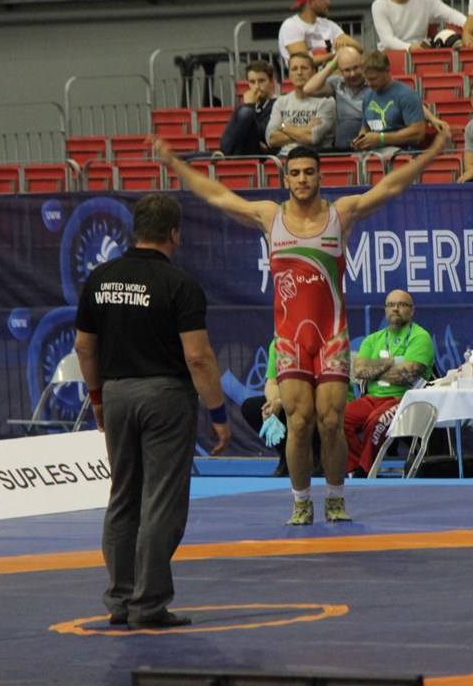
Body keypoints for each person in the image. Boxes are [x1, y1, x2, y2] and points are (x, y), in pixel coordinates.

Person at [160, 128, 452, 525]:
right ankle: (300, 502)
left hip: (331, 338)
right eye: (295, 173)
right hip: (290, 342)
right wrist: (175, 164)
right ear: (286, 178)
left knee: (331, 422)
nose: (302, 179)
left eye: (309, 172)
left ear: (319, 176)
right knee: (298, 422)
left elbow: (390, 187)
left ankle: (335, 498)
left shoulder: (340, 214)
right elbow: (217, 195)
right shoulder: (270, 217)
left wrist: (432, 152)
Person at [74, 193, 231, 630]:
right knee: (161, 501)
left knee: (123, 496)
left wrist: (98, 398)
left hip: (117, 393)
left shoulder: (100, 279)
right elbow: (197, 357)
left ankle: (121, 600)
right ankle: (148, 604)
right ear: (174, 234)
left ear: (135, 230)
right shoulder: (179, 284)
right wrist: (218, 414)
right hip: (165, 396)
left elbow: (84, 347)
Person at [344, 290, 434, 477]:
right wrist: (391, 362)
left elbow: (406, 376)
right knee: (338, 418)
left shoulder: (420, 337)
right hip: (371, 398)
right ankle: (353, 469)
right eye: (391, 305)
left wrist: (375, 370)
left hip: (404, 400)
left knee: (376, 421)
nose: (395, 309)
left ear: (412, 310)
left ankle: (364, 472)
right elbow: (359, 370)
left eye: (401, 305)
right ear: (385, 309)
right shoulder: (373, 339)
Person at [239, 340, 323, 478]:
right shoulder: (277, 343)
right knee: (251, 408)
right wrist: (273, 404)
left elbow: (315, 387)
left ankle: (317, 458)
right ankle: (288, 456)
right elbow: (271, 383)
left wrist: (282, 401)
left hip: (319, 399)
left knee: (306, 409)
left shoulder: (314, 341)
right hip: (290, 398)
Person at [351, 50, 426, 154]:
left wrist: (381, 138)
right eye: (366, 79)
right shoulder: (368, 97)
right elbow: (365, 129)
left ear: (387, 70)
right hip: (374, 151)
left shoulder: (406, 95)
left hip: (400, 152)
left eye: (373, 79)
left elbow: (418, 133)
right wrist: (361, 140)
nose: (369, 83)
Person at [278, 0, 361, 68]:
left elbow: (359, 48)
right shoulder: (291, 26)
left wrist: (344, 48)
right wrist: (335, 54)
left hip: (334, 75)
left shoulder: (328, 24)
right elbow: (303, 62)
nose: (328, 2)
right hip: (310, 77)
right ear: (310, 2)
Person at [265, 53, 336, 154]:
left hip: (315, 157)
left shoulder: (326, 101)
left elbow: (313, 138)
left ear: (314, 72)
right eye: (294, 69)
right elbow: (271, 140)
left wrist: (285, 127)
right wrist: (304, 129)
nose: (299, 73)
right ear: (289, 75)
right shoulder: (281, 102)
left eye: (304, 68)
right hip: (285, 157)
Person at [303, 46, 370, 151]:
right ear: (340, 70)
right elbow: (308, 89)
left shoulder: (373, 83)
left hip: (368, 137)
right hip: (344, 141)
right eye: (347, 70)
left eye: (356, 67)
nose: (352, 74)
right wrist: (333, 63)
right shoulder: (337, 83)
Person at [219, 59, 277, 157]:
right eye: (252, 82)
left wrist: (249, 106)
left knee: (246, 113)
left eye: (261, 81)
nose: (257, 86)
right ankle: (224, 156)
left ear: (272, 82)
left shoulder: (277, 104)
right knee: (191, 157)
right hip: (237, 152)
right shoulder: (244, 106)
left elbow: (262, 133)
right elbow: (226, 137)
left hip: (260, 155)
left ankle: (224, 156)